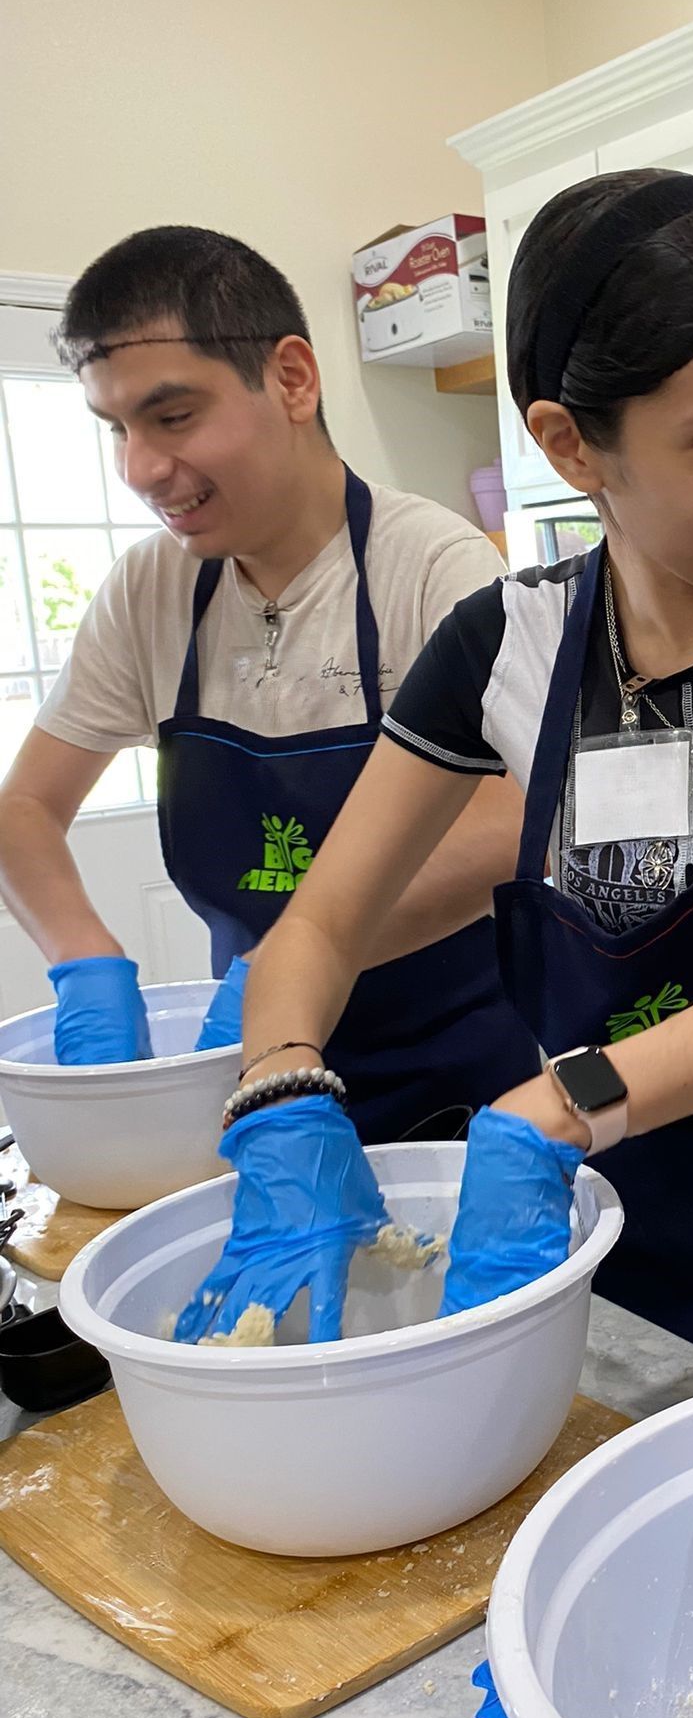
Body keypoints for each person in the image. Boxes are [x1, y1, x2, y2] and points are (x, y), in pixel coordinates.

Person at [198, 168, 693, 1371]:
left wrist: (564, 1104)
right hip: (603, 1273)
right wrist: (283, 1087)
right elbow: (316, 931)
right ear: (569, 442)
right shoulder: (505, 645)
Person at [0, 226, 537, 1140]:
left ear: (292, 378)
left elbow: (517, 811)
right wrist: (83, 959)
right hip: (247, 1066)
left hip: (452, 1065)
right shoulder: (151, 591)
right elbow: (24, 811)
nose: (140, 469)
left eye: (172, 418)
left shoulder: (429, 566)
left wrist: (292, 953)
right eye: (117, 429)